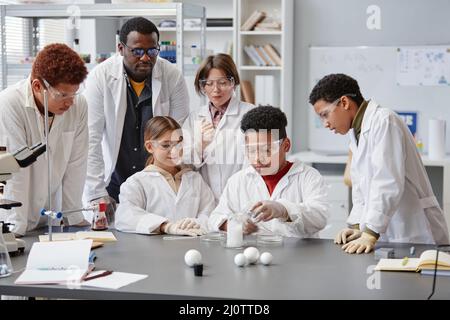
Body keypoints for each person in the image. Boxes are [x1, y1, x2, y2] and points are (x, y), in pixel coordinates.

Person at [309, 73, 449, 254]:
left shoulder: (385, 121)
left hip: (414, 230)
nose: (325, 124)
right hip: (393, 232)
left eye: (325, 115)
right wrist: (358, 225)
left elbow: (387, 182)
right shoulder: (356, 132)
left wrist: (370, 232)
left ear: (344, 103)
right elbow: (361, 187)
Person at [84, 17, 190, 217]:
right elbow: (91, 139)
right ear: (121, 48)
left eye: (152, 51)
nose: (145, 58)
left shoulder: (172, 76)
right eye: (137, 51)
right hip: (113, 183)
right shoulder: (100, 77)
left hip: (156, 183)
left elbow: (179, 134)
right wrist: (96, 193)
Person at [0, 44, 90, 236]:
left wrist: (73, 217)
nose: (70, 102)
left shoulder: (78, 105)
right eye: (62, 95)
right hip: (16, 216)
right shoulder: (9, 104)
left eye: (74, 93)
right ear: (37, 86)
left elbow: (77, 163)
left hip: (51, 217)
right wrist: (15, 227)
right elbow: (15, 171)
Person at [208, 106, 329, 238]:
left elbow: (320, 217)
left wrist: (284, 210)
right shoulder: (238, 181)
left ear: (286, 145)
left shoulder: (308, 177)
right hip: (253, 254)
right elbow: (215, 217)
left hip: (299, 255)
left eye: (267, 150)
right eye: (251, 151)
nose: (258, 159)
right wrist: (232, 225)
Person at [115, 116, 215, 235]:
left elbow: (209, 212)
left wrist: (195, 224)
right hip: (154, 251)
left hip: (192, 246)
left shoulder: (195, 179)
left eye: (178, 144)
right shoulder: (137, 182)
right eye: (166, 145)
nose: (174, 151)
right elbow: (125, 217)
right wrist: (165, 226)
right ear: (150, 147)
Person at [182, 54, 255, 202]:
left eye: (222, 82)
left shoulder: (250, 114)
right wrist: (200, 145)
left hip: (241, 198)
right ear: (202, 86)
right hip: (203, 201)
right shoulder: (194, 118)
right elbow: (184, 164)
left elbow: (254, 163)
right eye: (209, 83)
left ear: (232, 83)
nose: (216, 90)